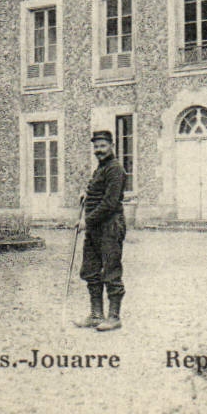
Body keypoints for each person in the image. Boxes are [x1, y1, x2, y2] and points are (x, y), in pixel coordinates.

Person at [74, 129, 126, 332]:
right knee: (90, 269)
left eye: (103, 146)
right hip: (95, 228)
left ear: (111, 146)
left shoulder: (115, 169)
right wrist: (86, 195)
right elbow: (98, 192)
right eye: (96, 147)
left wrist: (87, 220)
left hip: (110, 226)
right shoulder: (101, 169)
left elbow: (110, 203)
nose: (99, 150)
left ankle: (114, 317)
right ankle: (96, 315)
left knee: (111, 270)